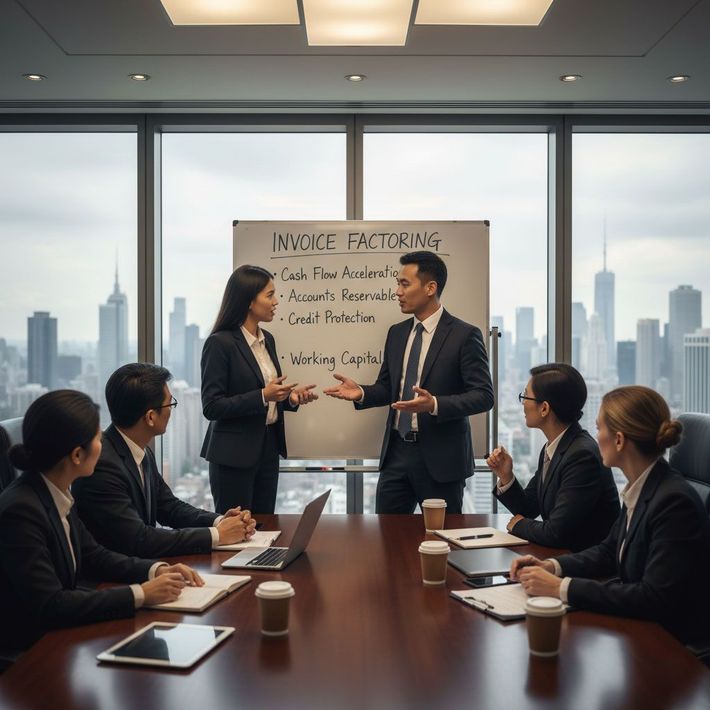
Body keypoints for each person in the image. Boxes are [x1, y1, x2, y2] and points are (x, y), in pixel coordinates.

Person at [0, 390, 203, 661]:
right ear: (76, 455)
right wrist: (140, 594)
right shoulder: (22, 510)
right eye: (97, 437)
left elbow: (95, 555)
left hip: (61, 638)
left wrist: (155, 570)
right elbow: (50, 604)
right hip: (32, 655)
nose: (102, 443)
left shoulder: (53, 491)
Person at [510, 385, 710, 650]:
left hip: (670, 646)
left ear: (618, 440)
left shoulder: (674, 502)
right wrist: (553, 567)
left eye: (599, 428)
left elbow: (653, 597)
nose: (595, 436)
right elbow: (607, 552)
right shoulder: (642, 486)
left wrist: (560, 587)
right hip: (640, 630)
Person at [324, 250, 494, 513]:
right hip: (396, 454)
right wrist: (360, 393)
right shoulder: (397, 333)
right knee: (387, 538)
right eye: (397, 283)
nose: (397, 291)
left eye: (404, 284)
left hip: (441, 459)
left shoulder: (464, 335)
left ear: (430, 287)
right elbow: (387, 389)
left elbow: (484, 395)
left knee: (440, 538)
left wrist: (434, 404)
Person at [73, 364, 256, 558]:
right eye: (170, 404)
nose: (171, 410)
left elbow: (169, 507)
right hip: (112, 579)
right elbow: (139, 539)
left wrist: (220, 522)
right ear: (150, 417)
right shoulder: (102, 465)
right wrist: (217, 535)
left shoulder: (138, 449)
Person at [201, 265, 318, 514]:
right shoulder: (220, 343)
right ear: (249, 301)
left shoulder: (268, 340)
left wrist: (291, 398)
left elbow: (271, 395)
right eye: (269, 295)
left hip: (267, 449)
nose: (276, 302)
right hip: (233, 456)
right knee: (237, 531)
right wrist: (263, 396)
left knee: (266, 526)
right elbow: (212, 406)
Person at [487, 363, 619, 550]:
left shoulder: (582, 456)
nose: (523, 403)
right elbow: (528, 508)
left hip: (589, 568)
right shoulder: (554, 447)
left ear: (544, 408)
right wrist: (506, 476)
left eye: (525, 396)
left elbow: (556, 532)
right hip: (563, 556)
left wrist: (518, 524)